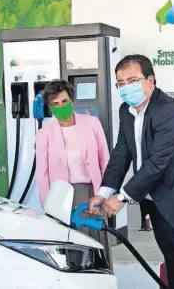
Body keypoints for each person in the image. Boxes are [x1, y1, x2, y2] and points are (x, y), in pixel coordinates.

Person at [88, 54, 174, 289]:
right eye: (121, 83)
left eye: (132, 80)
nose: (126, 88)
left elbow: (156, 164)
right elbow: (121, 155)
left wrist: (120, 197)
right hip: (160, 207)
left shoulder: (170, 111)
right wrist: (103, 192)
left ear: (150, 81)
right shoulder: (126, 111)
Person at [35, 79, 111, 244]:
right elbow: (42, 173)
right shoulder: (44, 134)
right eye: (55, 104)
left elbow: (105, 159)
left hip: (93, 192)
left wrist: (106, 192)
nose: (61, 106)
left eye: (64, 101)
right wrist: (48, 204)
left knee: (95, 238)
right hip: (62, 195)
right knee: (72, 241)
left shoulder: (92, 123)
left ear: (71, 100)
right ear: (50, 107)